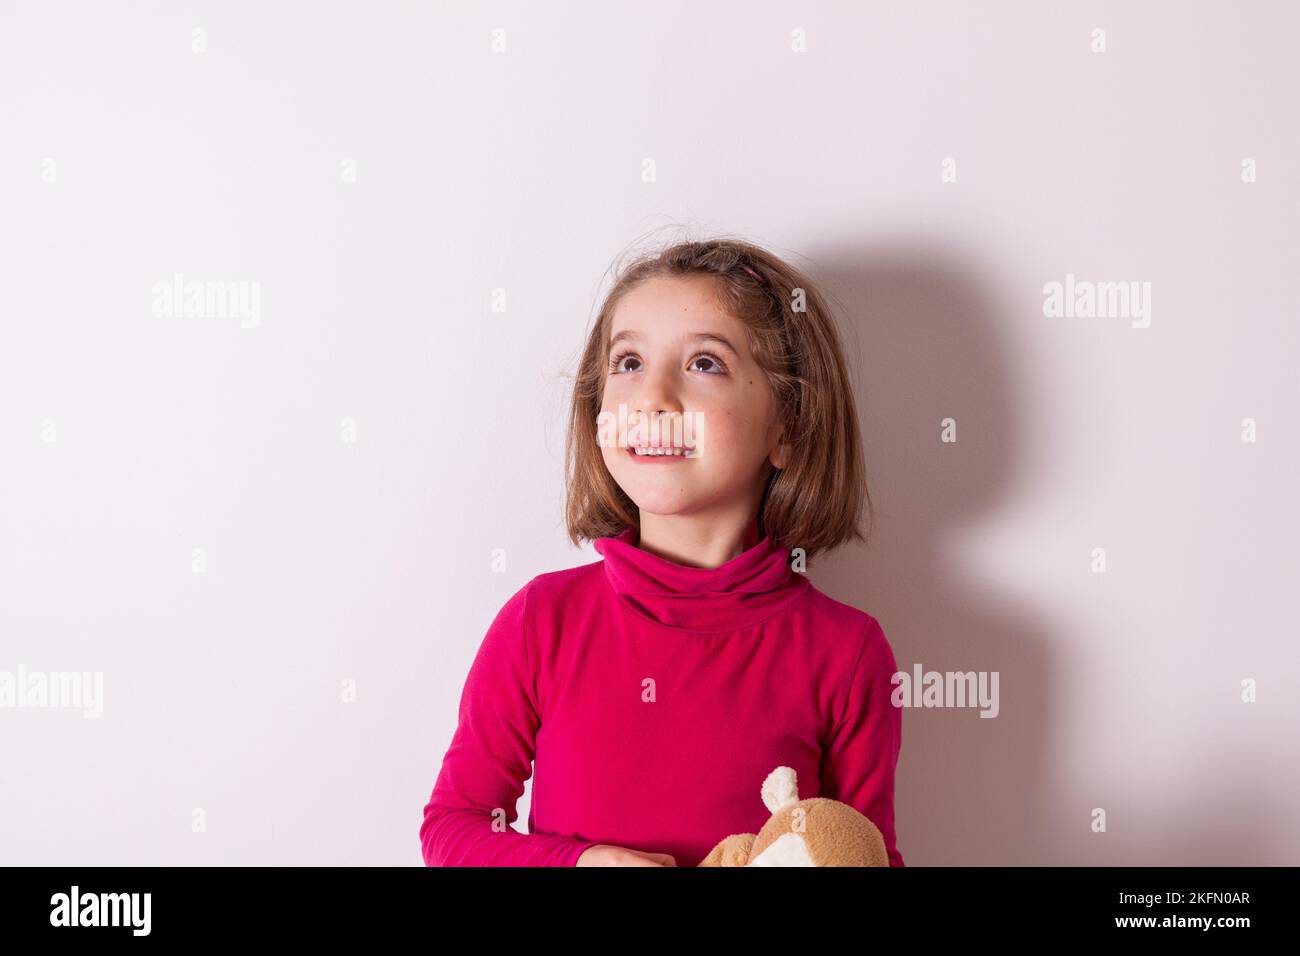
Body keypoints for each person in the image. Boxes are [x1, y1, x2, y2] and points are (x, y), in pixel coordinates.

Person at [419, 236, 904, 867]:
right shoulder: (542, 621)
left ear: (787, 426)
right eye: (628, 363)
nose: (652, 398)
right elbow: (453, 829)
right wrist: (580, 863)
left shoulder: (847, 653)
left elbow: (866, 853)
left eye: (704, 363)